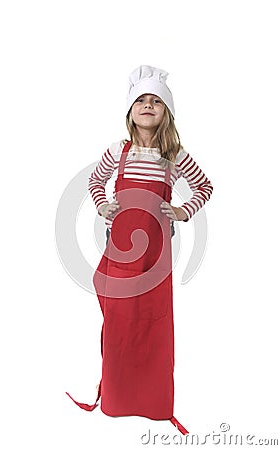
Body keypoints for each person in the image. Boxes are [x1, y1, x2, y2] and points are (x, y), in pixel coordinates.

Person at [66, 65, 213, 435]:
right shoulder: (117, 152)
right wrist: (101, 205)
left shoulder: (174, 156)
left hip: (155, 261)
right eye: (141, 100)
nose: (148, 105)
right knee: (119, 326)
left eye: (156, 101)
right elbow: (95, 181)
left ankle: (153, 402)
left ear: (167, 112)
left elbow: (205, 187)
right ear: (130, 111)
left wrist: (182, 211)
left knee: (153, 327)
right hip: (120, 258)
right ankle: (116, 399)